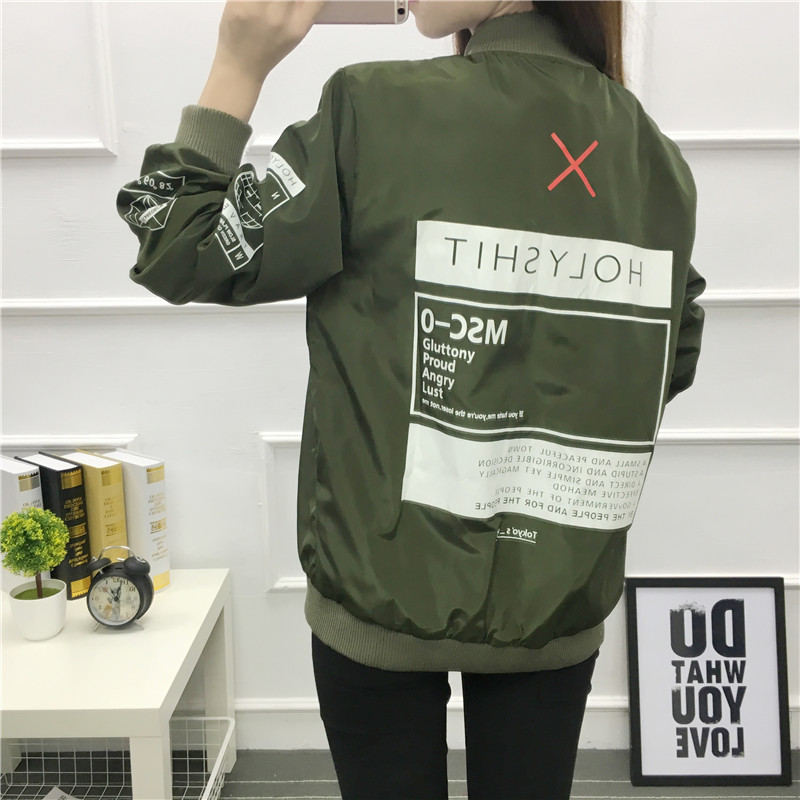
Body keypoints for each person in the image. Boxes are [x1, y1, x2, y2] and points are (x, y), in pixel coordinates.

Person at [116, 1, 706, 797]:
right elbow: (670, 350)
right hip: (557, 602)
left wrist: (239, 63)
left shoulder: (373, 111)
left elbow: (180, 245)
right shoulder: (653, 157)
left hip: (377, 596)